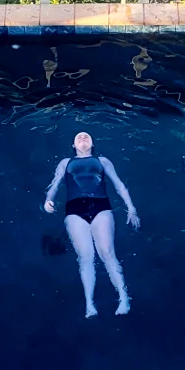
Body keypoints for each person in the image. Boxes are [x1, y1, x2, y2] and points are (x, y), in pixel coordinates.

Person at [43, 131, 140, 317]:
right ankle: (90, 304)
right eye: (78, 137)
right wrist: (48, 200)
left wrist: (131, 209)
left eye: (86, 136)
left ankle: (124, 298)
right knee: (85, 257)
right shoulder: (65, 162)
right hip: (74, 210)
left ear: (93, 144)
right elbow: (54, 185)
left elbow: (119, 185)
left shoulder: (102, 161)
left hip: (101, 206)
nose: (82, 138)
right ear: (73, 145)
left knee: (107, 253)